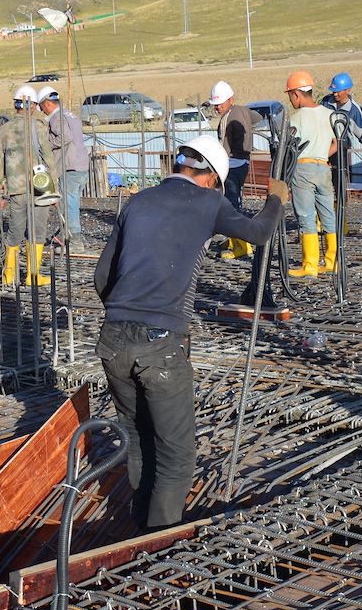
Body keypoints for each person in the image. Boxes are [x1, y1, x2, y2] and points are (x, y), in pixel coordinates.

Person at [94, 135, 287, 529]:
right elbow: (259, 233)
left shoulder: (137, 201)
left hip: (112, 340)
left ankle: (136, 527)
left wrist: (127, 312)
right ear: (212, 178)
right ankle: (157, 544)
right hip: (159, 346)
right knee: (176, 459)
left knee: (139, 440)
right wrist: (276, 199)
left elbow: (101, 278)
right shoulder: (209, 203)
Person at [0, 85, 52, 286]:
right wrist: (55, 189)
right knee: (38, 232)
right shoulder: (39, 127)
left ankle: (9, 275)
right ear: (33, 106)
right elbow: (49, 159)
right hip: (40, 185)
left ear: (15, 105)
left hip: (16, 188)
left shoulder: (4, 130)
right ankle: (33, 276)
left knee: (15, 231)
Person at [283, 71, 338, 278]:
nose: (291, 100)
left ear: (296, 94)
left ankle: (310, 266)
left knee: (306, 216)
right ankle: (332, 262)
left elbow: (288, 149)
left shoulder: (296, 118)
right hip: (324, 168)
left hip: (303, 169)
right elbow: (336, 143)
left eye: (291, 96)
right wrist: (321, 155)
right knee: (328, 216)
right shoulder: (329, 114)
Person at [37, 88, 90, 252]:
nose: (41, 111)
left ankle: (75, 243)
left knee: (68, 205)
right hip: (81, 166)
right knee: (72, 203)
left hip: (70, 168)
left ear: (47, 103)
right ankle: (67, 236)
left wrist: (45, 145)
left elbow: (65, 137)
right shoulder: (70, 115)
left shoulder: (57, 118)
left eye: (41, 107)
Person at [209, 80, 257, 259]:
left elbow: (230, 146)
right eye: (215, 104)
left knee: (231, 205)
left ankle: (242, 246)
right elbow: (257, 118)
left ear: (230, 99)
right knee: (232, 202)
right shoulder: (241, 111)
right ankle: (233, 240)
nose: (217, 107)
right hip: (238, 162)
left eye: (219, 103)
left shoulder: (233, 115)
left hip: (233, 164)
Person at [321, 72, 362, 180]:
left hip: (341, 152)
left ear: (347, 90)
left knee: (340, 182)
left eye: (338, 91)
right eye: (333, 91)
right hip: (323, 148)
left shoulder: (353, 111)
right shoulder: (325, 102)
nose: (335, 94)